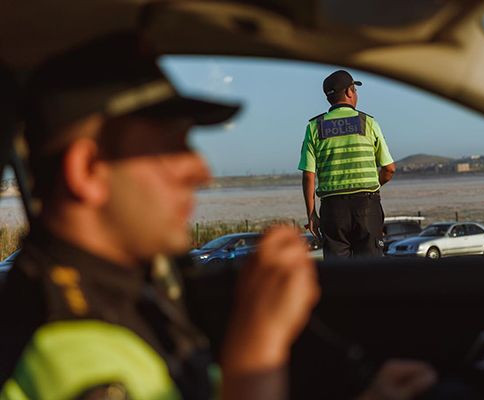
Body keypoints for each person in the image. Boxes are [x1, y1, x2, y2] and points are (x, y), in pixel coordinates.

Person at [0, 34, 435, 400]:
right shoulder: (65, 353)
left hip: (332, 209)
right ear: (87, 171)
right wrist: (256, 353)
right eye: (170, 147)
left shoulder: (146, 285)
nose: (201, 170)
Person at [298, 70, 396, 258]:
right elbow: (389, 169)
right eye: (355, 90)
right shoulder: (368, 122)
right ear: (350, 92)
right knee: (371, 271)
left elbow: (308, 175)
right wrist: (372, 184)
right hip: (366, 205)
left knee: (337, 273)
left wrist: (311, 215)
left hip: (332, 209)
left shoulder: (313, 127)